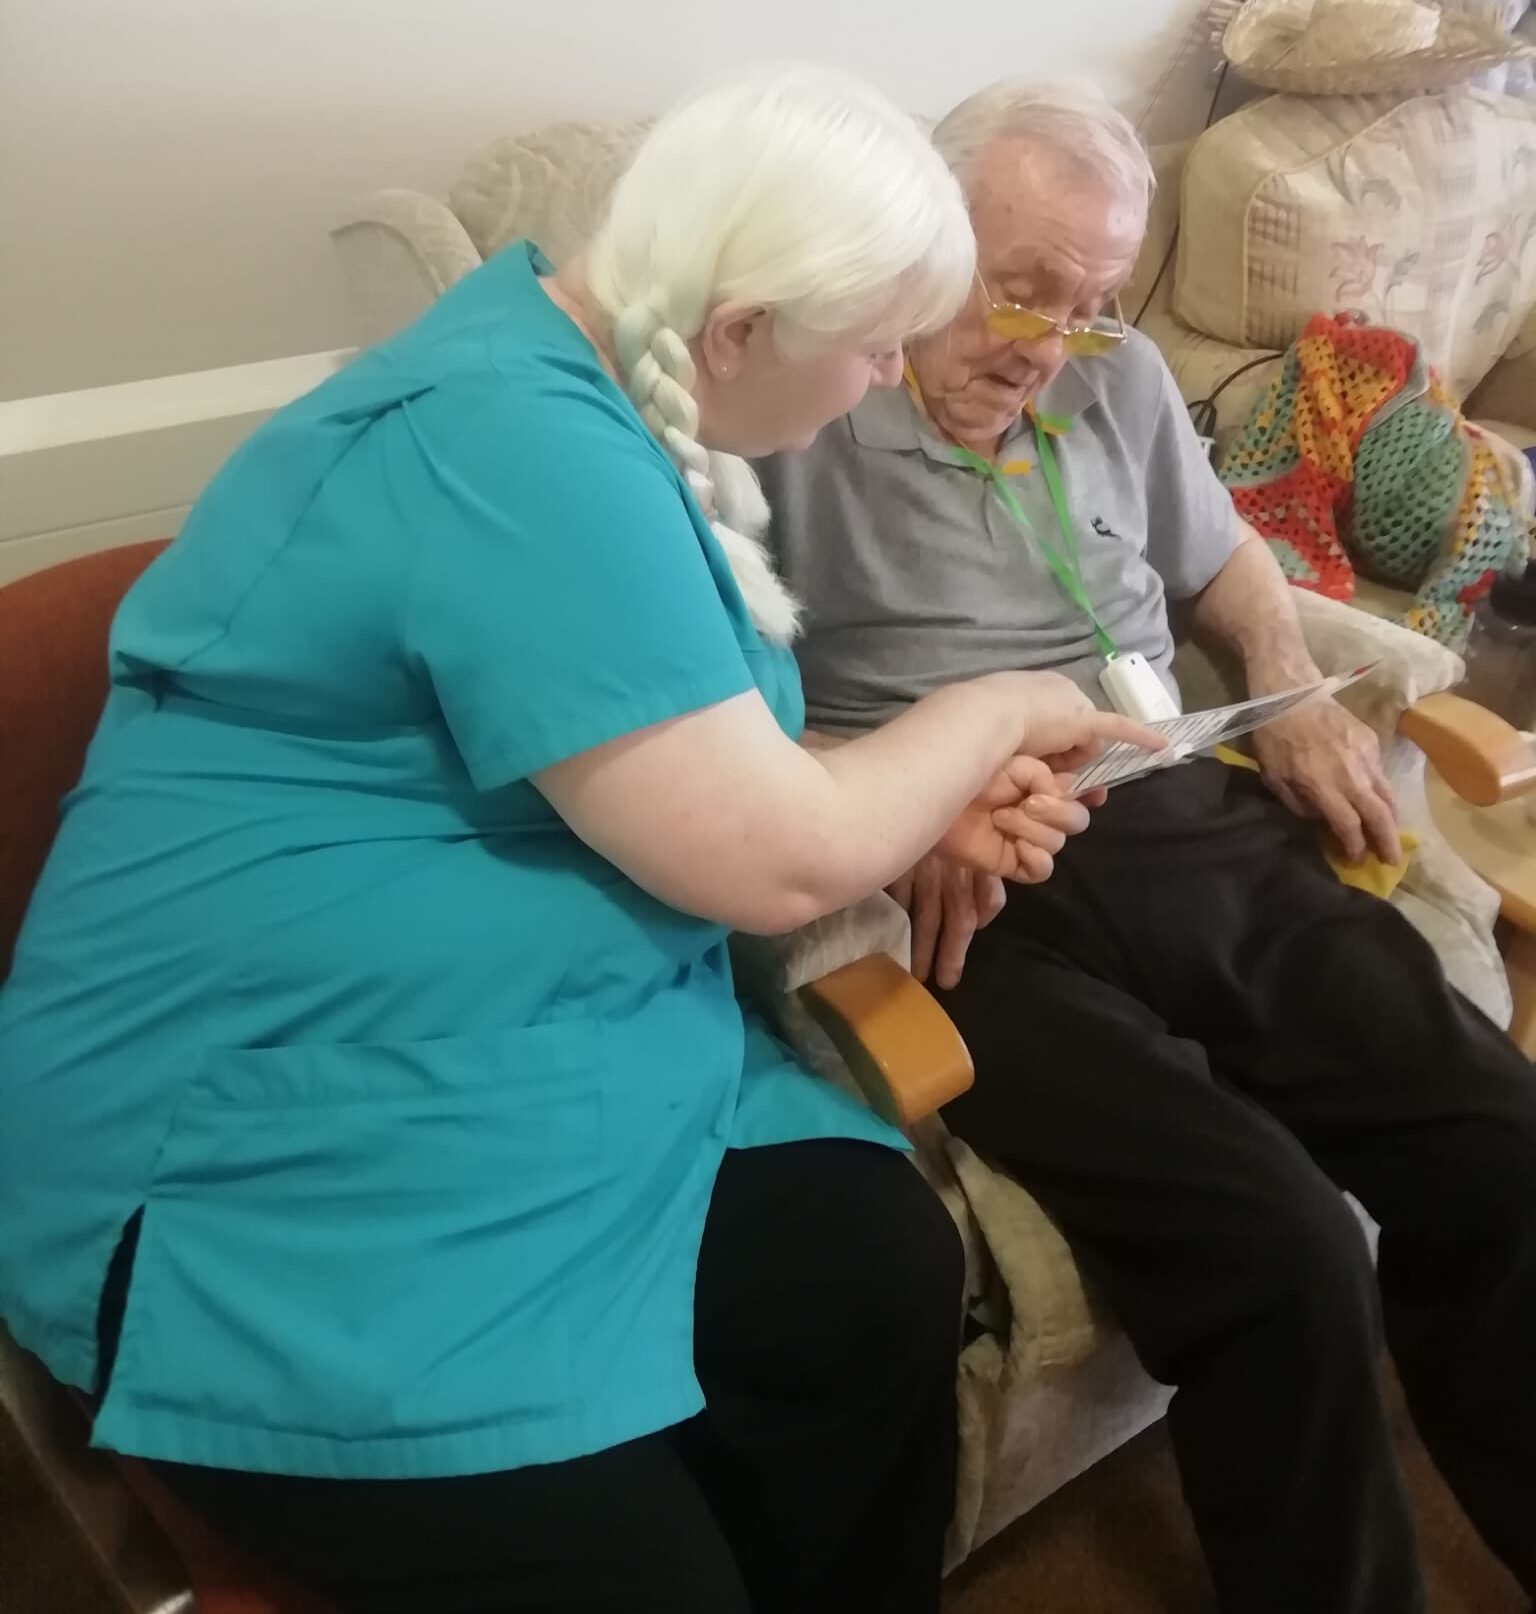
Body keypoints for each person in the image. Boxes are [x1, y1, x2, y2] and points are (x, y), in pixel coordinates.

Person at [0, 69, 1161, 1614]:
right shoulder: (511, 444)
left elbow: (663, 745)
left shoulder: (582, 381)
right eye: (878, 341)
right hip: (274, 1122)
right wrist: (1004, 706)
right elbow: (780, 855)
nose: (888, 379)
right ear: (742, 329)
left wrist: (913, 788)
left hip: (526, 1038)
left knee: (869, 1264)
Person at [756, 77, 1536, 1614]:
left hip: (1180, 805)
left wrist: (1275, 677)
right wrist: (895, 794)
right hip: (970, 881)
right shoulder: (790, 409)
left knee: (1498, 1138)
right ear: (914, 238)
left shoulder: (1102, 380)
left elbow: (1227, 555)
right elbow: (711, 731)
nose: (1050, 342)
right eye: (1020, 287)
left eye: (1094, 302)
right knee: (1281, 1246)